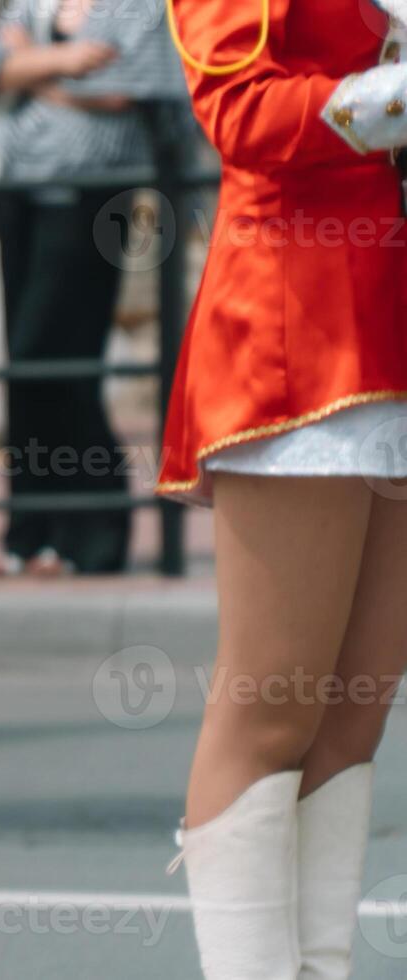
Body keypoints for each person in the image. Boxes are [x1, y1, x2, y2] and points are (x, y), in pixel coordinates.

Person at [159, 0, 407, 976]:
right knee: (271, 706)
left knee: (357, 705)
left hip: (390, 316)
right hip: (296, 319)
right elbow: (243, 113)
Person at [0, 0, 142, 577]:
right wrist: (67, 62)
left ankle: (92, 532)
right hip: (18, 193)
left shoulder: (137, 7)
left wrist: (33, 68)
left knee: (60, 356)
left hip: (94, 195)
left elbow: (123, 90)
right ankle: (28, 534)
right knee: (25, 363)